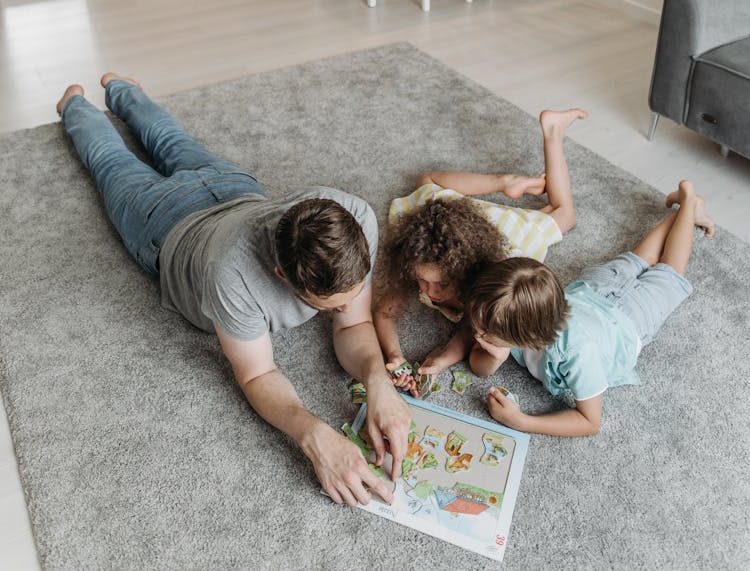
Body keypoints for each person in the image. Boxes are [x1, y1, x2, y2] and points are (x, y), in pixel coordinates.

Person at [56, 74, 410, 507]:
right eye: (330, 305)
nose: (349, 306)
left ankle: (123, 91)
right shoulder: (232, 276)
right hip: (162, 221)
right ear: (281, 274)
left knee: (169, 137)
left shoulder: (353, 214)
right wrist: (314, 434)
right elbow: (257, 374)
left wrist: (378, 381)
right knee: (110, 161)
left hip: (231, 187)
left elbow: (353, 325)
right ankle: (74, 104)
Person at [465, 180, 714, 437]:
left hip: (630, 317)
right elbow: (478, 365)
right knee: (639, 258)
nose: (476, 333)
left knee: (669, 271)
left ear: (525, 336)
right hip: (594, 289)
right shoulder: (508, 313)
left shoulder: (579, 354)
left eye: (483, 333)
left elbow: (589, 422)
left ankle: (689, 203)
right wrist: (495, 356)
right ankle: (682, 211)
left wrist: (523, 422)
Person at [373, 108, 585, 392]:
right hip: (445, 222)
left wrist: (443, 358)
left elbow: (469, 333)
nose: (429, 291)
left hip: (503, 234)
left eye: (442, 284)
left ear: (466, 273)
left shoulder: (491, 290)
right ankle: (504, 183)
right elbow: (384, 312)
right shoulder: (418, 258)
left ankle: (553, 132)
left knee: (565, 215)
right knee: (426, 181)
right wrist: (395, 356)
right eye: (420, 279)